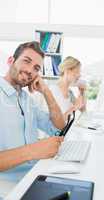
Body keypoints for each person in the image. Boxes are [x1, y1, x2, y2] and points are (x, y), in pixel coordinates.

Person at [0, 41, 65, 183]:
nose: (30, 70)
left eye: (36, 68)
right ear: (10, 61)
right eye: (26, 61)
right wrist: (33, 151)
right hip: (8, 187)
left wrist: (46, 91)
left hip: (34, 177)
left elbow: (59, 127)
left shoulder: (26, 99)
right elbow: (32, 151)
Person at [50, 56, 86, 121]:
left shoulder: (70, 93)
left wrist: (82, 92)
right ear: (67, 71)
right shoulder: (52, 91)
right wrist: (74, 108)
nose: (79, 75)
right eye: (77, 71)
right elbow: (54, 122)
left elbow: (83, 110)